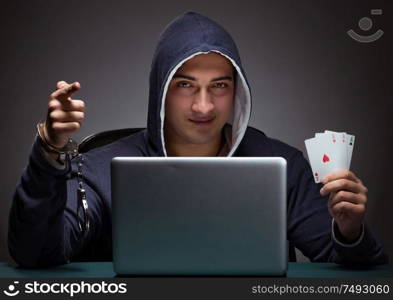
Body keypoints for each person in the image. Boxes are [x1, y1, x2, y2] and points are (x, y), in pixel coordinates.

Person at [9, 12, 386, 267]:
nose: (203, 105)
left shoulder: (281, 164)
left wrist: (349, 231)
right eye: (185, 85)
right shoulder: (98, 168)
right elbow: (36, 254)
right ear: (161, 91)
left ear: (237, 91)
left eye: (219, 86)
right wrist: (51, 150)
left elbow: (349, 269)